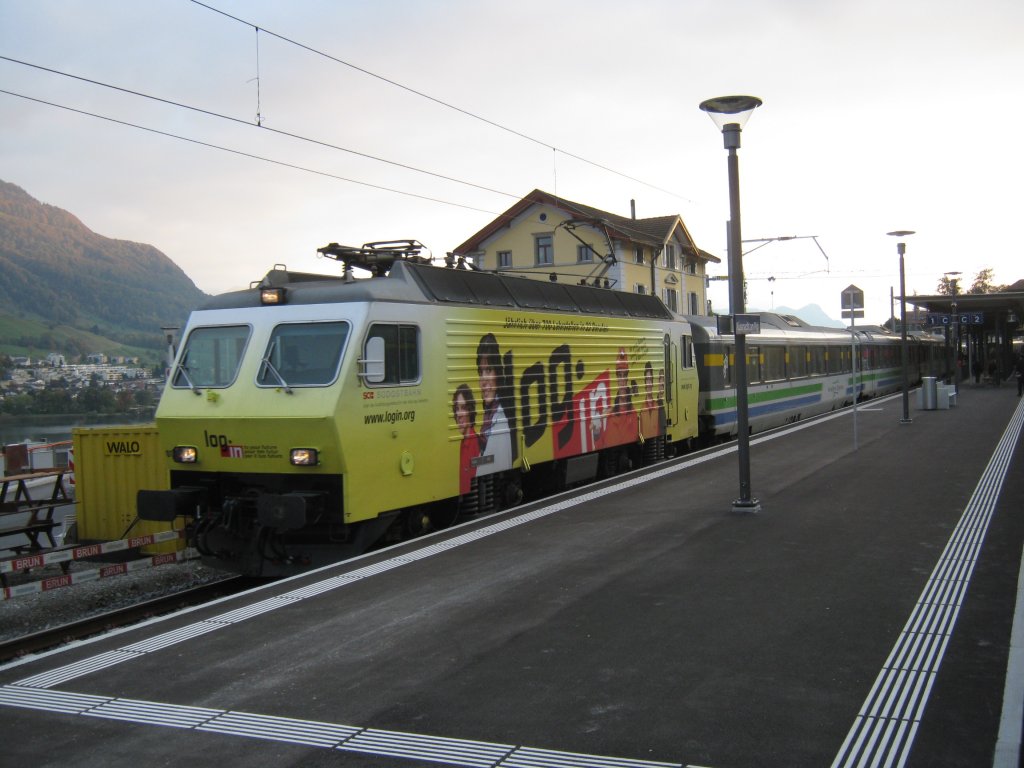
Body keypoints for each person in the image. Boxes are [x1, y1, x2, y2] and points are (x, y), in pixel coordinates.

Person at [475, 333, 513, 475]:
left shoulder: (500, 422)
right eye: (481, 372)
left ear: (498, 373)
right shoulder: (489, 419)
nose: (483, 380)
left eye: (489, 370)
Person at [453, 384, 481, 494]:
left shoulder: (475, 444)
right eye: (457, 409)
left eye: (463, 408)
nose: (458, 414)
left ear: (470, 411)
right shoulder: (463, 443)